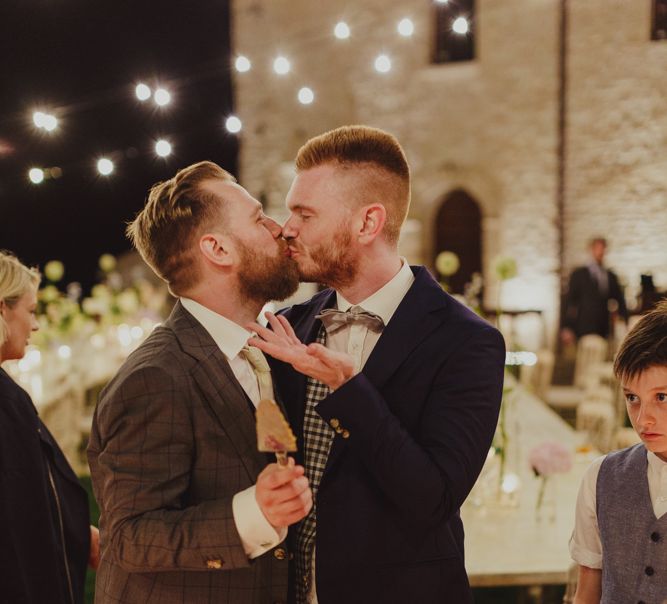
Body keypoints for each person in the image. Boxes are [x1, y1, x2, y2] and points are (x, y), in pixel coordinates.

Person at [249, 126, 506, 604]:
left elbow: (433, 499)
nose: (288, 227)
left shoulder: (467, 342)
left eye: (305, 213)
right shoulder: (291, 328)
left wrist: (349, 389)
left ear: (368, 223)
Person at [87, 161, 313, 604]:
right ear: (218, 249)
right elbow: (129, 537)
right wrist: (253, 514)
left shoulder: (268, 348)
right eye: (258, 217)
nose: (279, 228)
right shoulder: (156, 376)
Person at [0, 250, 99, 604]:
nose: (36, 325)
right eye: (30, 311)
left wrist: (77, 535)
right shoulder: (6, 403)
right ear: (1, 310)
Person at [569, 300, 667, 603]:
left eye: (662, 397)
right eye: (632, 397)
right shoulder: (601, 476)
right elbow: (587, 589)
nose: (642, 419)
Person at [561, 237, 628, 345]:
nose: (601, 252)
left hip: (603, 327)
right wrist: (566, 327)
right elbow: (569, 301)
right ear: (591, 250)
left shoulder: (610, 276)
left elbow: (620, 300)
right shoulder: (579, 274)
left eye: (603, 249)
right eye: (598, 249)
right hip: (583, 327)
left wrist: (626, 322)